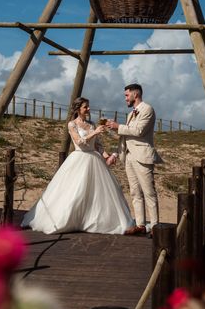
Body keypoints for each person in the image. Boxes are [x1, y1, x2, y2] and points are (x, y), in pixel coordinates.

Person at [21, 97, 133, 234]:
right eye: (85, 107)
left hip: (95, 160)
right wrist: (95, 132)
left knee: (96, 193)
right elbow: (79, 142)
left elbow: (97, 145)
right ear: (78, 109)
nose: (88, 109)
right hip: (79, 158)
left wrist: (107, 156)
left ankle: (92, 220)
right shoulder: (72, 124)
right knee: (74, 191)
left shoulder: (92, 124)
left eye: (88, 106)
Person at [106, 83, 162, 236]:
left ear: (135, 94)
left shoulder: (147, 109)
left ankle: (156, 227)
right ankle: (140, 225)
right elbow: (125, 137)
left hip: (142, 157)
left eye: (126, 95)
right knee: (135, 192)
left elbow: (138, 131)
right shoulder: (131, 114)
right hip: (129, 157)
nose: (125, 98)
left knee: (149, 192)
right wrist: (116, 152)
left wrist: (118, 126)